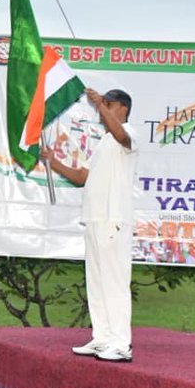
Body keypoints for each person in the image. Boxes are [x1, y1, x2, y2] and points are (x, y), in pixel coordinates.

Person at [47, 88, 138, 362]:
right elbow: (81, 176)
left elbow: (121, 135)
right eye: (102, 105)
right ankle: (103, 338)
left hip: (114, 219)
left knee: (114, 283)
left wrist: (100, 106)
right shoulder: (101, 143)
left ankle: (121, 344)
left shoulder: (130, 134)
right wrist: (53, 163)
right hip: (94, 219)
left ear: (122, 107)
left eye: (108, 105)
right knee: (96, 283)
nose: (102, 110)